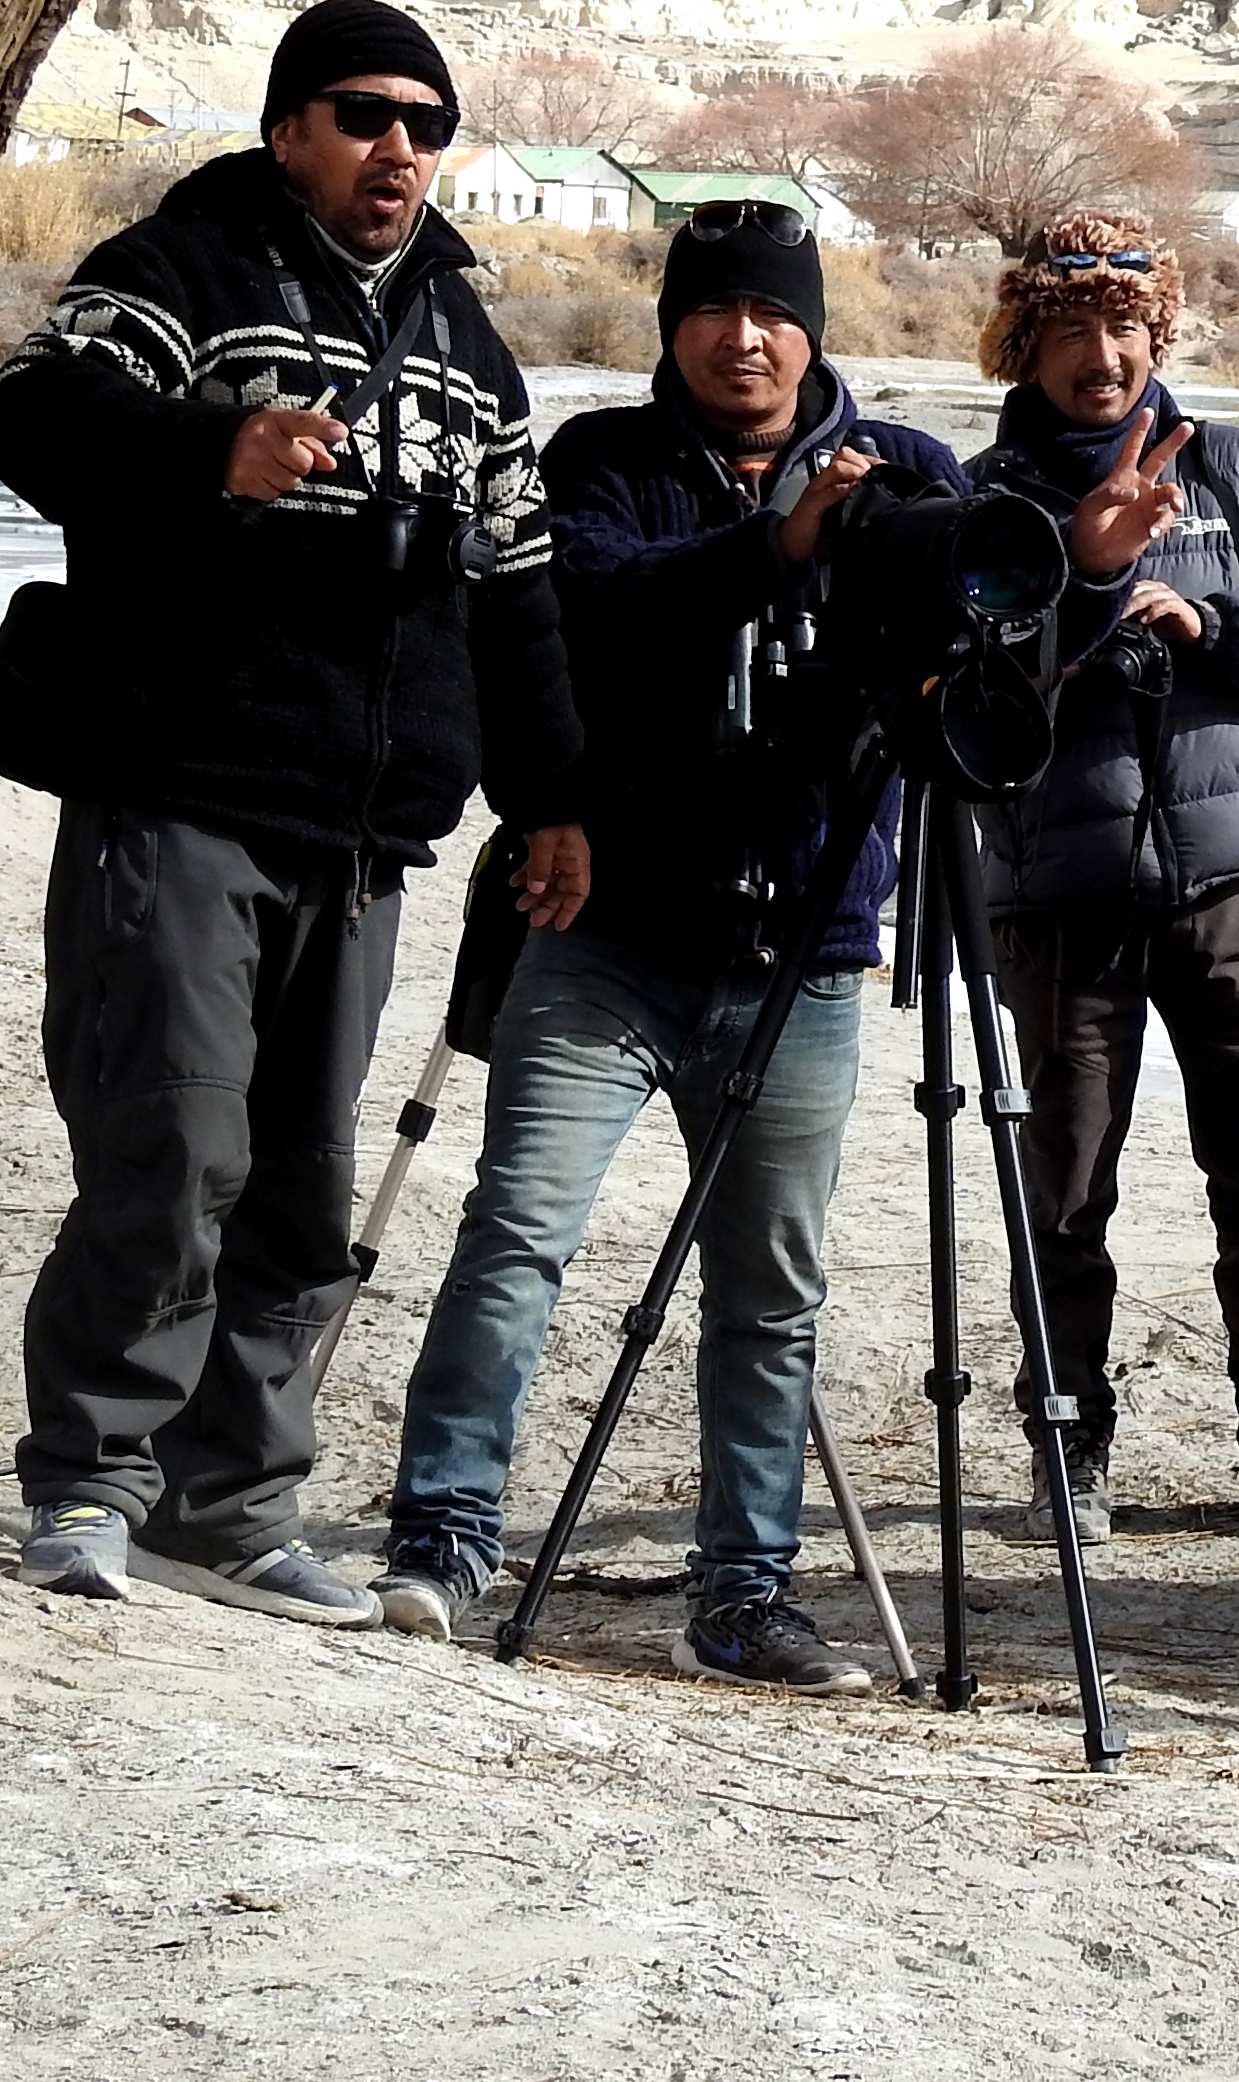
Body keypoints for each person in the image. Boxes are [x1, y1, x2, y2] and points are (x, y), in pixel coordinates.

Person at [0, 0, 586, 1625]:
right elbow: (27, 414)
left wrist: (550, 803)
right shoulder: (179, 272)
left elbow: (520, 594)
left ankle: (234, 1506)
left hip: (367, 829)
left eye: (427, 124)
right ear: (287, 130)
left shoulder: (467, 346)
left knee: (307, 1185)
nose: (402, 149)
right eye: (366, 114)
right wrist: (208, 450)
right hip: (180, 788)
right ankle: (91, 1481)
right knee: (172, 1145)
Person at [368, 203, 972, 1691]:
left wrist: (1062, 572)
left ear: (813, 326)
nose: (745, 335)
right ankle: (444, 1529)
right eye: (716, 309)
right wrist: (774, 545)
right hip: (613, 929)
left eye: (773, 311)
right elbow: (591, 606)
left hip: (810, 948)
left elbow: (980, 657)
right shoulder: (598, 466)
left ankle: (745, 1589)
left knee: (773, 1283)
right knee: (518, 1233)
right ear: (673, 324)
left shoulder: (913, 476)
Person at [962, 209, 1239, 1548]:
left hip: (1235, 874)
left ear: (1161, 332)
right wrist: (1087, 577)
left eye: (1125, 326)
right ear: (1028, 342)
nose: (1103, 353)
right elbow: (968, 681)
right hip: (1058, 880)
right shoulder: (988, 494)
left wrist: (1216, 620)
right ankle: (1067, 1445)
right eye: (1071, 327)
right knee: (1065, 1188)